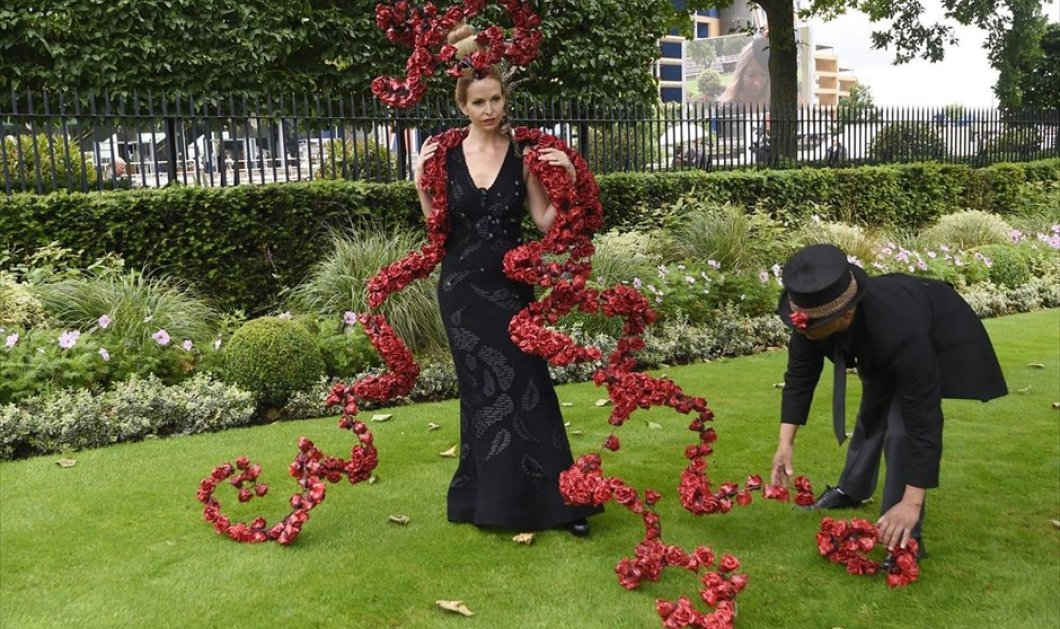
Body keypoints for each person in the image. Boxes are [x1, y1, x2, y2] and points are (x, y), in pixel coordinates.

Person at [413, 65, 603, 537]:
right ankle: (490, 500)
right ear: (462, 106)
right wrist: (420, 181)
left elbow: (544, 221)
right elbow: (436, 226)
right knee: (482, 394)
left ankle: (563, 502)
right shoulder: (445, 156)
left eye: (495, 99)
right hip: (460, 292)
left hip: (511, 287)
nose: (489, 110)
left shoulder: (522, 154)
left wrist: (570, 180)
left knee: (531, 385)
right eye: (479, 102)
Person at [769, 244, 1007, 567]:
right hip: (878, 337)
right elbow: (800, 376)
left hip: (936, 329)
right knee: (873, 410)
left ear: (845, 314)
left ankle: (907, 538)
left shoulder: (898, 331)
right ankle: (852, 489)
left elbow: (923, 419)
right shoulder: (813, 315)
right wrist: (786, 442)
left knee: (900, 430)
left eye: (809, 326)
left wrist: (913, 500)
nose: (802, 330)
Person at [718, 38, 770, 107]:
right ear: (741, 73)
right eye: (751, 75)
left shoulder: (771, 105)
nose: (757, 83)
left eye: (763, 75)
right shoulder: (727, 108)